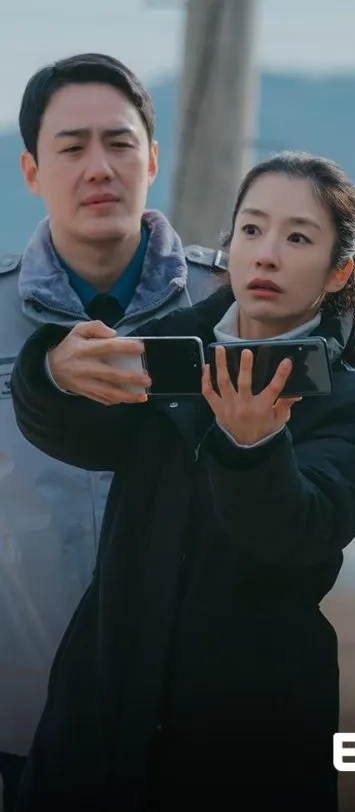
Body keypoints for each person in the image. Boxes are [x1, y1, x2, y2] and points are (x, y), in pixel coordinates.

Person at [10, 150, 355, 811]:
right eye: (252, 229)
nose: (267, 255)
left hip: (251, 737)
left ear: (339, 271)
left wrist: (253, 447)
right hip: (102, 705)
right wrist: (50, 373)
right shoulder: (161, 354)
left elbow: (294, 534)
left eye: (297, 238)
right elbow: (77, 435)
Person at [0, 53, 224, 810]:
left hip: (193, 723)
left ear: (152, 158)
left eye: (120, 143)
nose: (99, 167)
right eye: (71, 147)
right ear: (32, 171)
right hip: (25, 718)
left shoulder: (235, 302)